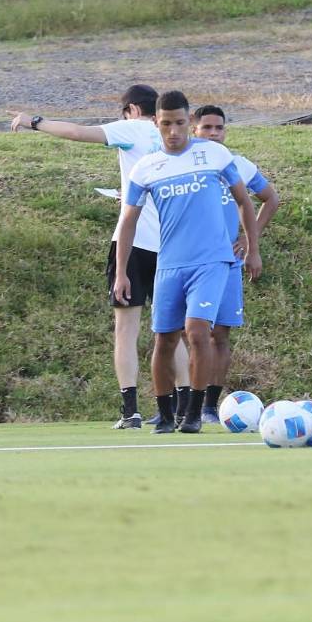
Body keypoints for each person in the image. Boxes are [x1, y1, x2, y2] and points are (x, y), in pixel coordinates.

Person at [8, 86, 190, 429]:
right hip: (172, 246)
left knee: (126, 329)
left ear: (132, 110)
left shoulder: (134, 128)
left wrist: (34, 121)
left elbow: (78, 132)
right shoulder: (176, 139)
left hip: (133, 245)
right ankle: (182, 408)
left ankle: (130, 411)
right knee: (172, 332)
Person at [113, 91, 262, 433]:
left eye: (180, 123)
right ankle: (165, 415)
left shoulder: (214, 154)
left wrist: (252, 247)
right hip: (169, 265)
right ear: (156, 123)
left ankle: (194, 412)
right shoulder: (146, 168)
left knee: (198, 333)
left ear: (189, 120)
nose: (174, 131)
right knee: (164, 340)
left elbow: (245, 201)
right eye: (166, 124)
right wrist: (121, 272)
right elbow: (128, 223)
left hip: (212, 262)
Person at [190, 105, 280, 424]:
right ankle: (186, 402)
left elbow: (271, 198)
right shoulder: (185, 166)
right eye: (207, 128)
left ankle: (210, 407)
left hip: (228, 263)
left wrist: (249, 241)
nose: (214, 134)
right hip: (194, 261)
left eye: (219, 128)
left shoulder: (238, 165)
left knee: (220, 334)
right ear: (194, 130)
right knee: (191, 332)